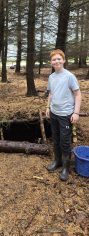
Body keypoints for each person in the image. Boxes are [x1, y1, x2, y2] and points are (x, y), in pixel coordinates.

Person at [46, 49, 81, 181]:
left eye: (59, 59)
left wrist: (76, 112)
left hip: (66, 115)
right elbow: (51, 93)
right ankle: (57, 161)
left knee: (65, 142)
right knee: (55, 138)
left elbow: (78, 94)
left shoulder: (69, 76)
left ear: (64, 60)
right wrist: (48, 107)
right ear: (51, 62)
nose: (56, 61)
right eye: (54, 59)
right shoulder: (51, 77)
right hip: (54, 113)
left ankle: (66, 167)